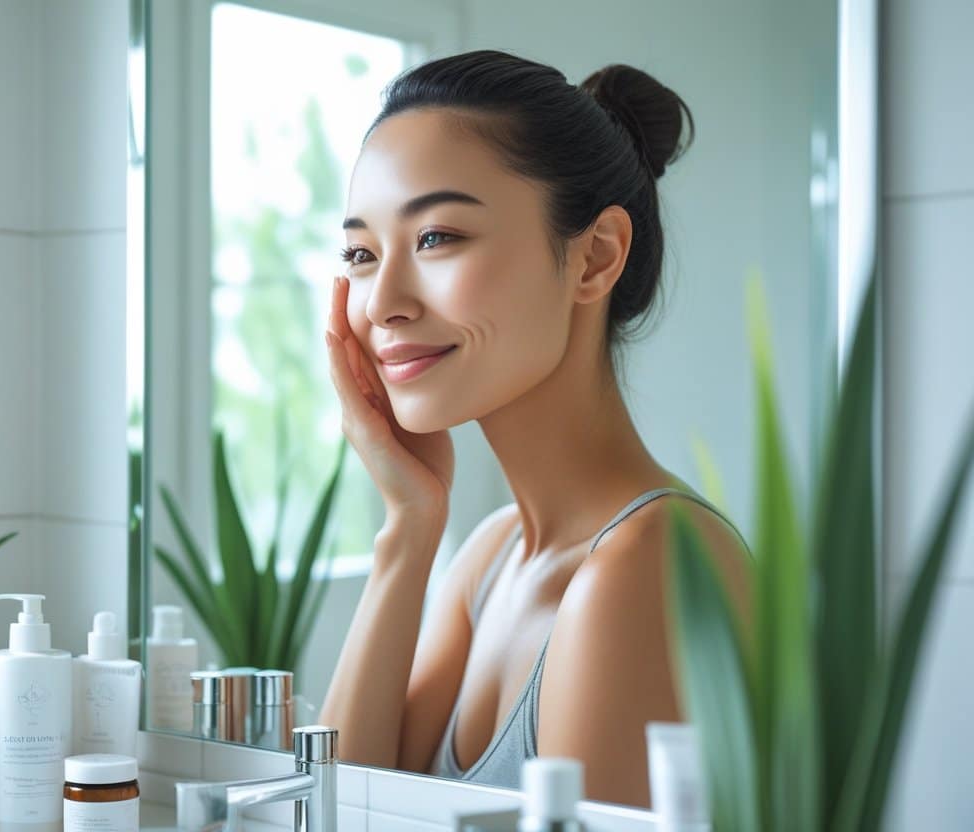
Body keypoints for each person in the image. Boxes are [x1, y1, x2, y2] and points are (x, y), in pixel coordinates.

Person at [318, 50, 750, 808]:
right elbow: (338, 810)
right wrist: (408, 528)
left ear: (595, 257)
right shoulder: (492, 558)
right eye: (360, 253)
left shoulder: (643, 570)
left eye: (437, 238)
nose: (381, 300)